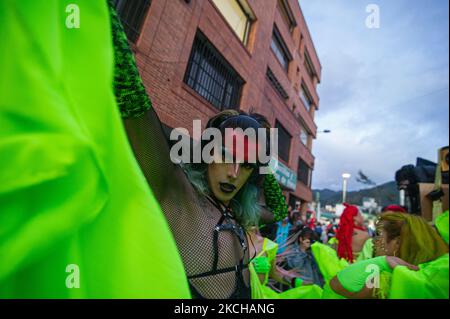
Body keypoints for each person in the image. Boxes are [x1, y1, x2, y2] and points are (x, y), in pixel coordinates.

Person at [0, 0, 190, 298]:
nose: (233, 172)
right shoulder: (180, 194)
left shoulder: (232, 224)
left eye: (245, 165)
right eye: (226, 156)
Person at [327, 212, 448, 299]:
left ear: (397, 243)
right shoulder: (436, 270)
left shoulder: (382, 280)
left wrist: (382, 262)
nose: (373, 241)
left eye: (378, 235)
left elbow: (335, 285)